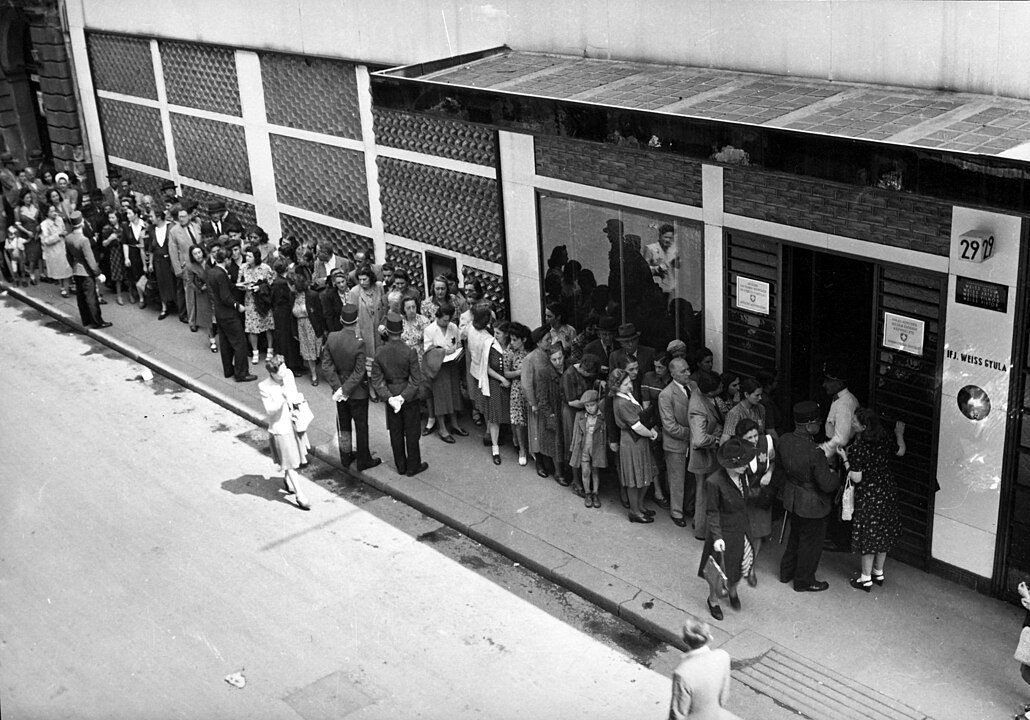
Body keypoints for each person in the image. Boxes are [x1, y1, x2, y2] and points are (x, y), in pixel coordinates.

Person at [838, 408, 906, 591]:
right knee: (882, 532)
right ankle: (879, 572)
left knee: (869, 535)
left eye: (855, 421)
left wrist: (845, 459)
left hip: (869, 494)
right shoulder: (884, 438)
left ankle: (865, 578)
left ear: (864, 426)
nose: (852, 422)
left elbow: (856, 477)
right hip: (887, 490)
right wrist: (899, 434)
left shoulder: (860, 448)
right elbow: (900, 451)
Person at [777, 400, 841, 592]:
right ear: (809, 424)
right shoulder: (815, 452)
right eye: (818, 421)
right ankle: (804, 581)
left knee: (795, 535)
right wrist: (836, 474)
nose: (820, 424)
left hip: (793, 497)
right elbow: (827, 484)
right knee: (810, 543)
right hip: (812, 503)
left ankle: (786, 572)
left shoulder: (785, 439)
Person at [698, 437, 758, 620]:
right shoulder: (714, 482)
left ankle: (732, 592)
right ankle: (713, 601)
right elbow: (712, 511)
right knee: (719, 570)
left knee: (739, 564)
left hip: (741, 528)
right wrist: (717, 537)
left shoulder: (743, 475)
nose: (746, 466)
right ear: (731, 464)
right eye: (743, 464)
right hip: (723, 533)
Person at [322, 303, 381, 472]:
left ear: (341, 320)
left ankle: (346, 457)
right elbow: (359, 371)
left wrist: (338, 388)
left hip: (339, 391)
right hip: (357, 392)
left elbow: (327, 366)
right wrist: (346, 390)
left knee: (344, 424)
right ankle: (364, 459)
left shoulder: (332, 337)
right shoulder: (359, 343)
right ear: (355, 322)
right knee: (361, 426)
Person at [371, 311, 426, 477]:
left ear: (387, 330)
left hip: (391, 394)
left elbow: (376, 380)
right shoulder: (409, 351)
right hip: (408, 396)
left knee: (395, 431)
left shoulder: (380, 352)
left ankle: (400, 465)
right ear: (401, 331)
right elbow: (416, 379)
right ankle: (413, 465)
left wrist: (389, 397)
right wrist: (403, 397)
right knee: (411, 431)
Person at [258, 354, 312, 511]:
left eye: (284, 370)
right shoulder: (264, 386)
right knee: (291, 462)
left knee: (295, 457)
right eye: (280, 373)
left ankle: (288, 481)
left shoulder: (288, 374)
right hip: (280, 428)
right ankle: (300, 494)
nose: (284, 374)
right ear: (272, 373)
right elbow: (270, 411)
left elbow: (294, 393)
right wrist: (282, 399)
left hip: (295, 422)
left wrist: (295, 399)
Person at [611, 366, 659, 523]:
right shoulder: (621, 402)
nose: (629, 386)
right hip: (632, 441)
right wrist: (651, 433)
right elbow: (636, 426)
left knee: (643, 475)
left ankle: (639, 506)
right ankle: (635, 511)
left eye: (629, 382)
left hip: (638, 440)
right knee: (634, 478)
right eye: (625, 384)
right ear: (616, 386)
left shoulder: (627, 396)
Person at [206, 247, 256, 383]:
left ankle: (228, 370)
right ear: (226, 259)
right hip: (229, 314)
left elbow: (223, 288)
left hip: (219, 313)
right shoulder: (221, 274)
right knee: (240, 343)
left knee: (225, 342)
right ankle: (242, 373)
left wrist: (237, 285)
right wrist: (238, 306)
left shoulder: (212, 272)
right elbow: (226, 297)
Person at [467, 305, 510, 465]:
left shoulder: (471, 329)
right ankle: (492, 440)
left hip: (476, 369)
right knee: (493, 413)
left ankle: (489, 435)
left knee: (490, 411)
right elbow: (489, 365)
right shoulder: (488, 340)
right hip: (487, 376)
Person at [736, 419, 775, 587]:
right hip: (744, 494)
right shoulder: (735, 450)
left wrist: (769, 474)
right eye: (749, 437)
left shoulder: (766, 441)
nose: (753, 440)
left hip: (761, 494)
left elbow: (773, 461)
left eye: (754, 435)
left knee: (759, 531)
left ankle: (750, 566)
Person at [668, 618, 732, 720]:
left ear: (685, 641)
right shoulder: (723, 656)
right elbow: (724, 694)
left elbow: (678, 714)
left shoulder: (682, 674)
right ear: (709, 637)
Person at [422, 302, 467, 443]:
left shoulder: (453, 327)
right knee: (441, 397)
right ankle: (442, 428)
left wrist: (455, 349)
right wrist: (443, 351)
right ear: (438, 317)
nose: (447, 323)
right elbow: (428, 351)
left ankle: (454, 424)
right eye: (444, 320)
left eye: (449, 320)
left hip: (452, 365)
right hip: (438, 368)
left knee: (454, 394)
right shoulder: (430, 330)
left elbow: (458, 343)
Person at [688, 369, 723, 541]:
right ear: (710, 391)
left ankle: (698, 522)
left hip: (706, 456)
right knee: (703, 493)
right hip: (703, 457)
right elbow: (699, 440)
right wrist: (716, 440)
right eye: (719, 386)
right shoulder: (698, 409)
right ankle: (701, 531)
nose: (722, 386)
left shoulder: (698, 390)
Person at [524, 341, 566, 481]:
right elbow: (542, 397)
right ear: (550, 360)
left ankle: (563, 469)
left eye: (560, 358)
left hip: (564, 410)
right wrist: (549, 415)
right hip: (552, 410)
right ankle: (558, 473)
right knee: (554, 443)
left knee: (563, 441)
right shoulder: (544, 373)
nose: (558, 362)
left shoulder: (568, 368)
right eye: (554, 359)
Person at [660, 357, 694, 528]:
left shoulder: (693, 387)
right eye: (683, 371)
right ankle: (676, 512)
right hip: (676, 444)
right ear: (672, 374)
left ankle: (687, 506)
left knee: (691, 477)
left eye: (688, 369)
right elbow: (670, 426)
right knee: (677, 479)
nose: (688, 373)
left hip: (692, 444)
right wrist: (693, 433)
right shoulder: (666, 395)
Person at [63, 211, 112, 329]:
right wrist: (98, 274)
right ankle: (97, 321)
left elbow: (68, 256)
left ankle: (86, 320)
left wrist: (74, 266)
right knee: (91, 298)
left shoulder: (68, 238)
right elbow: (90, 260)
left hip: (76, 270)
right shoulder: (84, 240)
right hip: (86, 272)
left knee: (81, 298)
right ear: (82, 223)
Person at [561, 353, 600, 493]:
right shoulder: (569, 375)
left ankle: (584, 478)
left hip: (585, 410)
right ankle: (576, 480)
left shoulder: (588, 372)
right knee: (575, 444)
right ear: (583, 368)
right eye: (587, 373)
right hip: (572, 413)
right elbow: (571, 401)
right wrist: (590, 405)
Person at [347, 264, 387, 400]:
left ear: (371, 278)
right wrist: (357, 336)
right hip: (364, 333)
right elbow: (353, 316)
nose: (362, 282)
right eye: (360, 279)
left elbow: (384, 307)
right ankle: (371, 388)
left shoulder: (379, 287)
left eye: (365, 279)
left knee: (380, 360)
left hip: (379, 332)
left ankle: (381, 386)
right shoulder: (354, 292)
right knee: (368, 362)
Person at [569, 389, 607, 508]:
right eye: (587, 406)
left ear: (597, 403)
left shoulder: (602, 416)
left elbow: (606, 435)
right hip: (584, 447)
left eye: (592, 405)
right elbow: (575, 433)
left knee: (595, 471)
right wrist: (574, 448)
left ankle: (595, 493)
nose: (590, 408)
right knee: (585, 471)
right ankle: (587, 493)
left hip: (597, 448)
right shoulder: (580, 416)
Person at [240, 245, 276, 364]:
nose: (247, 258)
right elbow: (239, 282)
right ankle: (255, 351)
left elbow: (271, 283)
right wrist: (244, 286)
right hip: (250, 301)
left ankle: (270, 350)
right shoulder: (243, 268)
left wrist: (259, 287)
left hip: (263, 301)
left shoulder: (265, 268)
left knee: (268, 325)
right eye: (246, 256)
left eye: (250, 256)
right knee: (251, 327)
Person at [289, 269, 325, 386]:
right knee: (308, 353)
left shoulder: (312, 295)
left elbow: (320, 313)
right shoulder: (292, 296)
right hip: (301, 327)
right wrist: (294, 331)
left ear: (294, 285)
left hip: (313, 326)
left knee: (320, 350)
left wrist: (323, 330)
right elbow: (292, 316)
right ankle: (314, 374)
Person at [503, 321, 531, 466]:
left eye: (515, 340)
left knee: (529, 418)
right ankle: (522, 449)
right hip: (517, 388)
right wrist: (519, 373)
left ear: (523, 340)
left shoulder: (530, 352)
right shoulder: (509, 353)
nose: (512, 342)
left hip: (530, 388)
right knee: (518, 420)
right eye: (511, 339)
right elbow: (506, 372)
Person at [169, 205, 200, 323]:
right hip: (186, 266)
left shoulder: (196, 227)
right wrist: (178, 270)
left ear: (190, 216)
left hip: (199, 264)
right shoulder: (174, 231)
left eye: (183, 216)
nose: (181, 219)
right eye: (179, 217)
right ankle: (192, 321)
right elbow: (172, 252)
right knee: (190, 294)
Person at [39, 203, 72, 297]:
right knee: (60, 270)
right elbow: (46, 240)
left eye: (55, 210)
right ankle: (63, 288)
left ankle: (67, 287)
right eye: (51, 211)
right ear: (47, 213)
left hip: (63, 247)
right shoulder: (44, 225)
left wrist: (64, 234)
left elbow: (63, 230)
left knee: (66, 269)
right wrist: (58, 235)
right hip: (54, 251)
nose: (54, 213)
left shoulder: (60, 219)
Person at [722, 377, 766, 442]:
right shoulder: (735, 413)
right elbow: (725, 439)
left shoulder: (761, 409)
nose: (760, 398)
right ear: (746, 394)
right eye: (757, 395)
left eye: (760, 395)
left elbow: (762, 433)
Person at [183, 244, 209, 333]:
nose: (198, 255)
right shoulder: (190, 266)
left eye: (199, 252)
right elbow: (189, 282)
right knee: (193, 303)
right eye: (195, 254)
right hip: (198, 287)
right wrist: (200, 289)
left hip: (210, 286)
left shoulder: (208, 261)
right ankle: (192, 322)